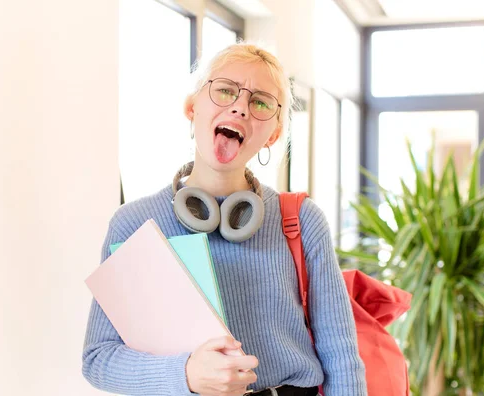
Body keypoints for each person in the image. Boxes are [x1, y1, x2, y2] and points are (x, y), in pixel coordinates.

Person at [82, 42, 367, 396]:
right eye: (225, 91)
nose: (240, 107)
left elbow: (341, 356)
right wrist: (185, 373)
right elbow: (99, 359)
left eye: (261, 102)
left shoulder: (302, 220)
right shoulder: (134, 222)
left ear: (274, 134)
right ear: (192, 107)